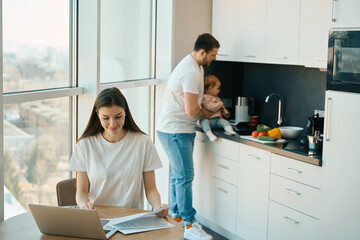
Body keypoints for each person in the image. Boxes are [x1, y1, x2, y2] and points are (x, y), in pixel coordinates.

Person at [157, 33, 219, 240]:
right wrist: (208, 115)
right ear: (202, 52)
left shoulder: (196, 66)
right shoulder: (191, 71)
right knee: (185, 176)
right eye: (213, 54)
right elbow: (192, 111)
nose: (214, 59)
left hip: (175, 129)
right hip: (176, 131)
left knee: (178, 175)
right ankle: (189, 224)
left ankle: (176, 219)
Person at [69, 87, 168, 218]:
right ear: (97, 114)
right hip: (99, 218)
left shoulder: (143, 142)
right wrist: (84, 205)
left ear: (125, 112)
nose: (112, 123)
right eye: (105, 118)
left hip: (131, 218)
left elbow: (151, 189)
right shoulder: (85, 145)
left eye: (118, 116)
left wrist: (157, 205)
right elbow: (81, 193)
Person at [200, 75, 237, 142]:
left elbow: (222, 108)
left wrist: (225, 112)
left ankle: (229, 130)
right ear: (210, 88)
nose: (219, 90)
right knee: (204, 122)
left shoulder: (217, 98)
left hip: (217, 120)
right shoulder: (205, 97)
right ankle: (209, 134)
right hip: (209, 120)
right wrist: (220, 104)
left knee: (225, 122)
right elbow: (211, 107)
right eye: (217, 88)